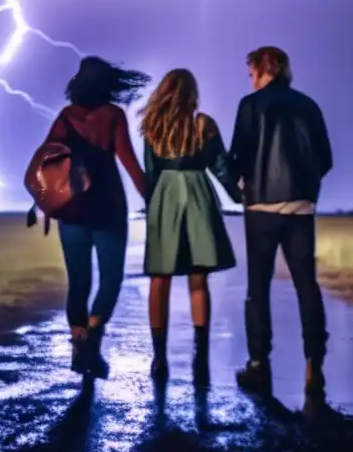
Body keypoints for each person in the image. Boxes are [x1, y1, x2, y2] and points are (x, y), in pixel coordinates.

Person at [229, 46, 333, 397]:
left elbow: (237, 159)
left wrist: (241, 188)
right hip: (301, 208)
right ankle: (313, 365)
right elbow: (326, 159)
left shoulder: (250, 104)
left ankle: (258, 364)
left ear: (261, 69)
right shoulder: (308, 105)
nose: (249, 78)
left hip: (260, 208)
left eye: (251, 71)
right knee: (308, 287)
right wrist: (305, 187)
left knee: (258, 288)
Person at [45, 56, 149, 379]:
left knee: (78, 281)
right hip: (108, 209)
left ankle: (80, 343)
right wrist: (151, 197)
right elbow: (129, 161)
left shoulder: (66, 117)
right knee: (111, 279)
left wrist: (47, 203)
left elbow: (48, 160)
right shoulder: (113, 116)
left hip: (72, 211)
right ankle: (93, 340)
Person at [139, 68, 241, 387]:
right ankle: (200, 356)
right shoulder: (203, 123)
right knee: (198, 279)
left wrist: (154, 208)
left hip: (164, 197)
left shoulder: (152, 127)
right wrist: (239, 196)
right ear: (191, 93)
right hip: (198, 194)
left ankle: (159, 357)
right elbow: (221, 166)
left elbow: (151, 173)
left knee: (160, 277)